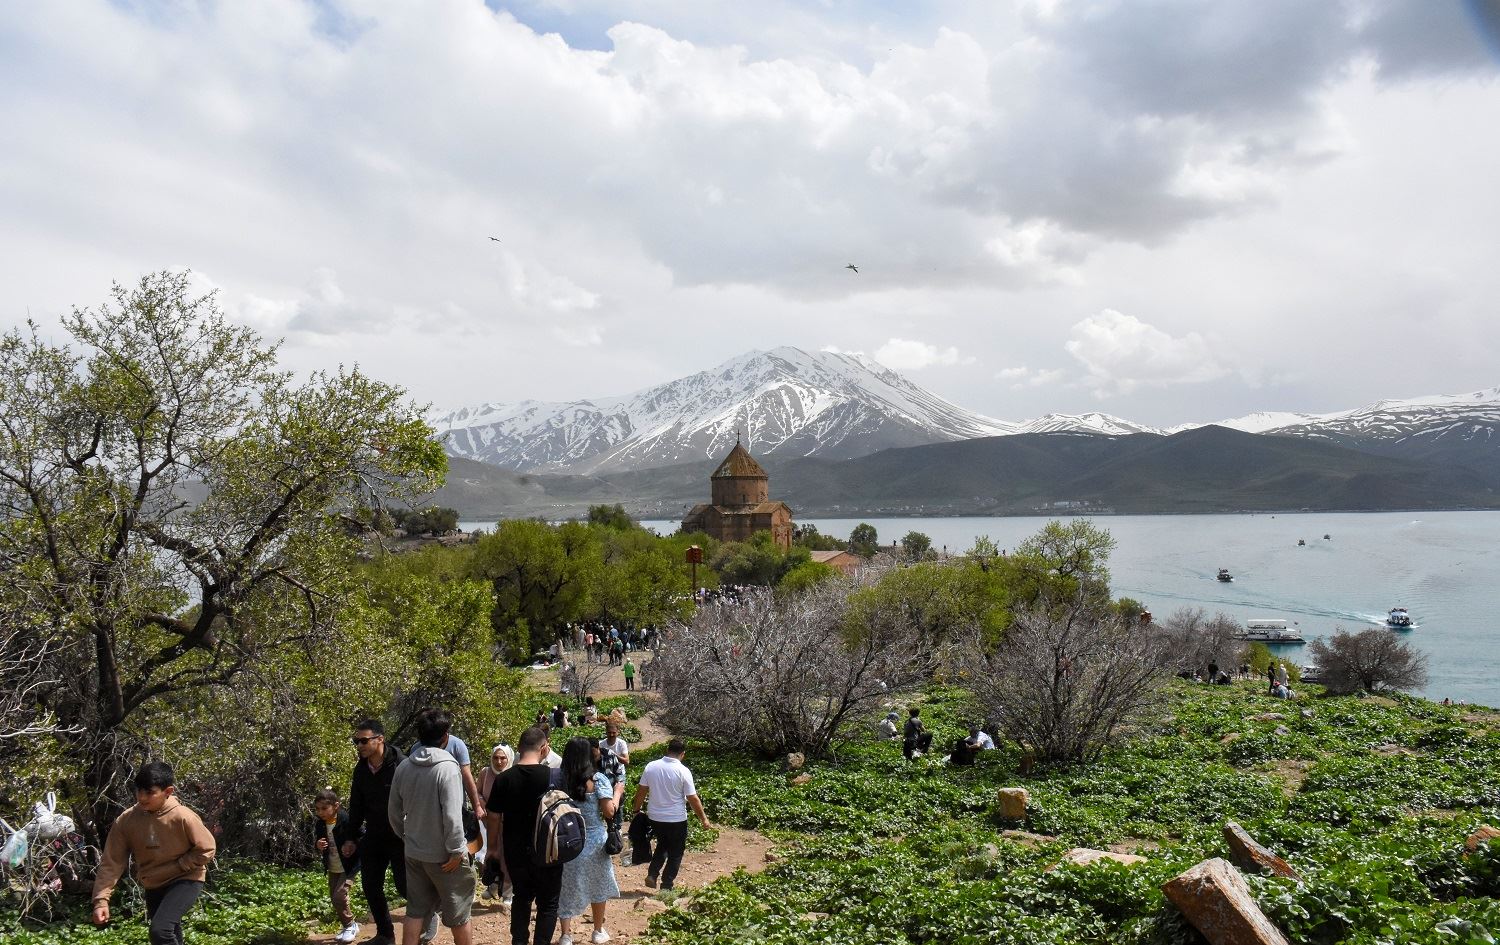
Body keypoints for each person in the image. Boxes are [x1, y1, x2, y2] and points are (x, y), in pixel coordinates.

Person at [91, 761, 216, 945]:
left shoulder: (183, 816)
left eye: (149, 792)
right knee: (168, 935)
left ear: (168, 792)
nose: (142, 797)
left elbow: (207, 848)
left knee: (161, 931)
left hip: (186, 879)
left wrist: (181, 865)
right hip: (153, 883)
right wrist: (100, 900)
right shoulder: (127, 820)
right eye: (139, 791)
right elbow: (112, 861)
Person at [389, 708, 474, 945]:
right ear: (446, 736)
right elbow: (452, 816)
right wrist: (457, 850)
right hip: (445, 856)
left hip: (414, 851)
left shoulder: (404, 767)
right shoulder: (447, 768)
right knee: (459, 914)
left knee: (415, 910)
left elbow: (393, 812)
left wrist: (406, 837)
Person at [487, 725, 564, 945]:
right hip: (549, 850)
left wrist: (493, 848)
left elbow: (493, 816)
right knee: (548, 903)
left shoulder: (504, 778)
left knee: (521, 897)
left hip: (515, 850)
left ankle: (519, 941)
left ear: (519, 748)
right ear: (544, 748)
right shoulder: (554, 776)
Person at [345, 719, 407, 945]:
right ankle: (385, 934)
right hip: (374, 835)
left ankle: (425, 916)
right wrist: (351, 836)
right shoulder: (361, 769)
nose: (359, 745)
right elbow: (356, 805)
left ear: (380, 739)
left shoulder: (402, 764)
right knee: (371, 885)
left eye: (363, 740)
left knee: (404, 886)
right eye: (356, 741)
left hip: (401, 836)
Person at [556, 737, 621, 945]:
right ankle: (598, 930)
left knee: (566, 887)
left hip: (567, 839)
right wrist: (617, 792)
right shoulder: (598, 779)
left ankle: (566, 934)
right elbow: (609, 811)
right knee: (598, 885)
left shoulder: (559, 780)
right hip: (594, 839)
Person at [632, 738, 710, 890]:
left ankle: (653, 874)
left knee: (663, 844)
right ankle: (666, 885)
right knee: (676, 852)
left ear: (667, 750)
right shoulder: (683, 771)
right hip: (676, 819)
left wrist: (636, 810)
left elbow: (641, 791)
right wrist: (704, 819)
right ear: (683, 754)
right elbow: (692, 798)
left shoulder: (651, 767)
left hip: (655, 817)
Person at [312, 787, 361, 944]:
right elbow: (319, 842)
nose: (321, 812)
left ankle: (350, 925)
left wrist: (352, 844)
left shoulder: (346, 820)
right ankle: (348, 926)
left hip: (349, 866)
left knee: (339, 895)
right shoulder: (320, 824)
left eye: (325, 808)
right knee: (334, 898)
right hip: (333, 866)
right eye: (318, 809)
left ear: (336, 805)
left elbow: (361, 835)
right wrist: (318, 845)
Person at [477, 745, 516, 903]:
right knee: (491, 856)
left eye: (503, 758)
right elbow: (477, 792)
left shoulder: (514, 774)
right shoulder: (485, 773)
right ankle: (492, 885)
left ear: (509, 759)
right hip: (488, 824)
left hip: (507, 824)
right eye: (496, 758)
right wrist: (482, 804)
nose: (499, 761)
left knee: (507, 857)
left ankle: (507, 892)